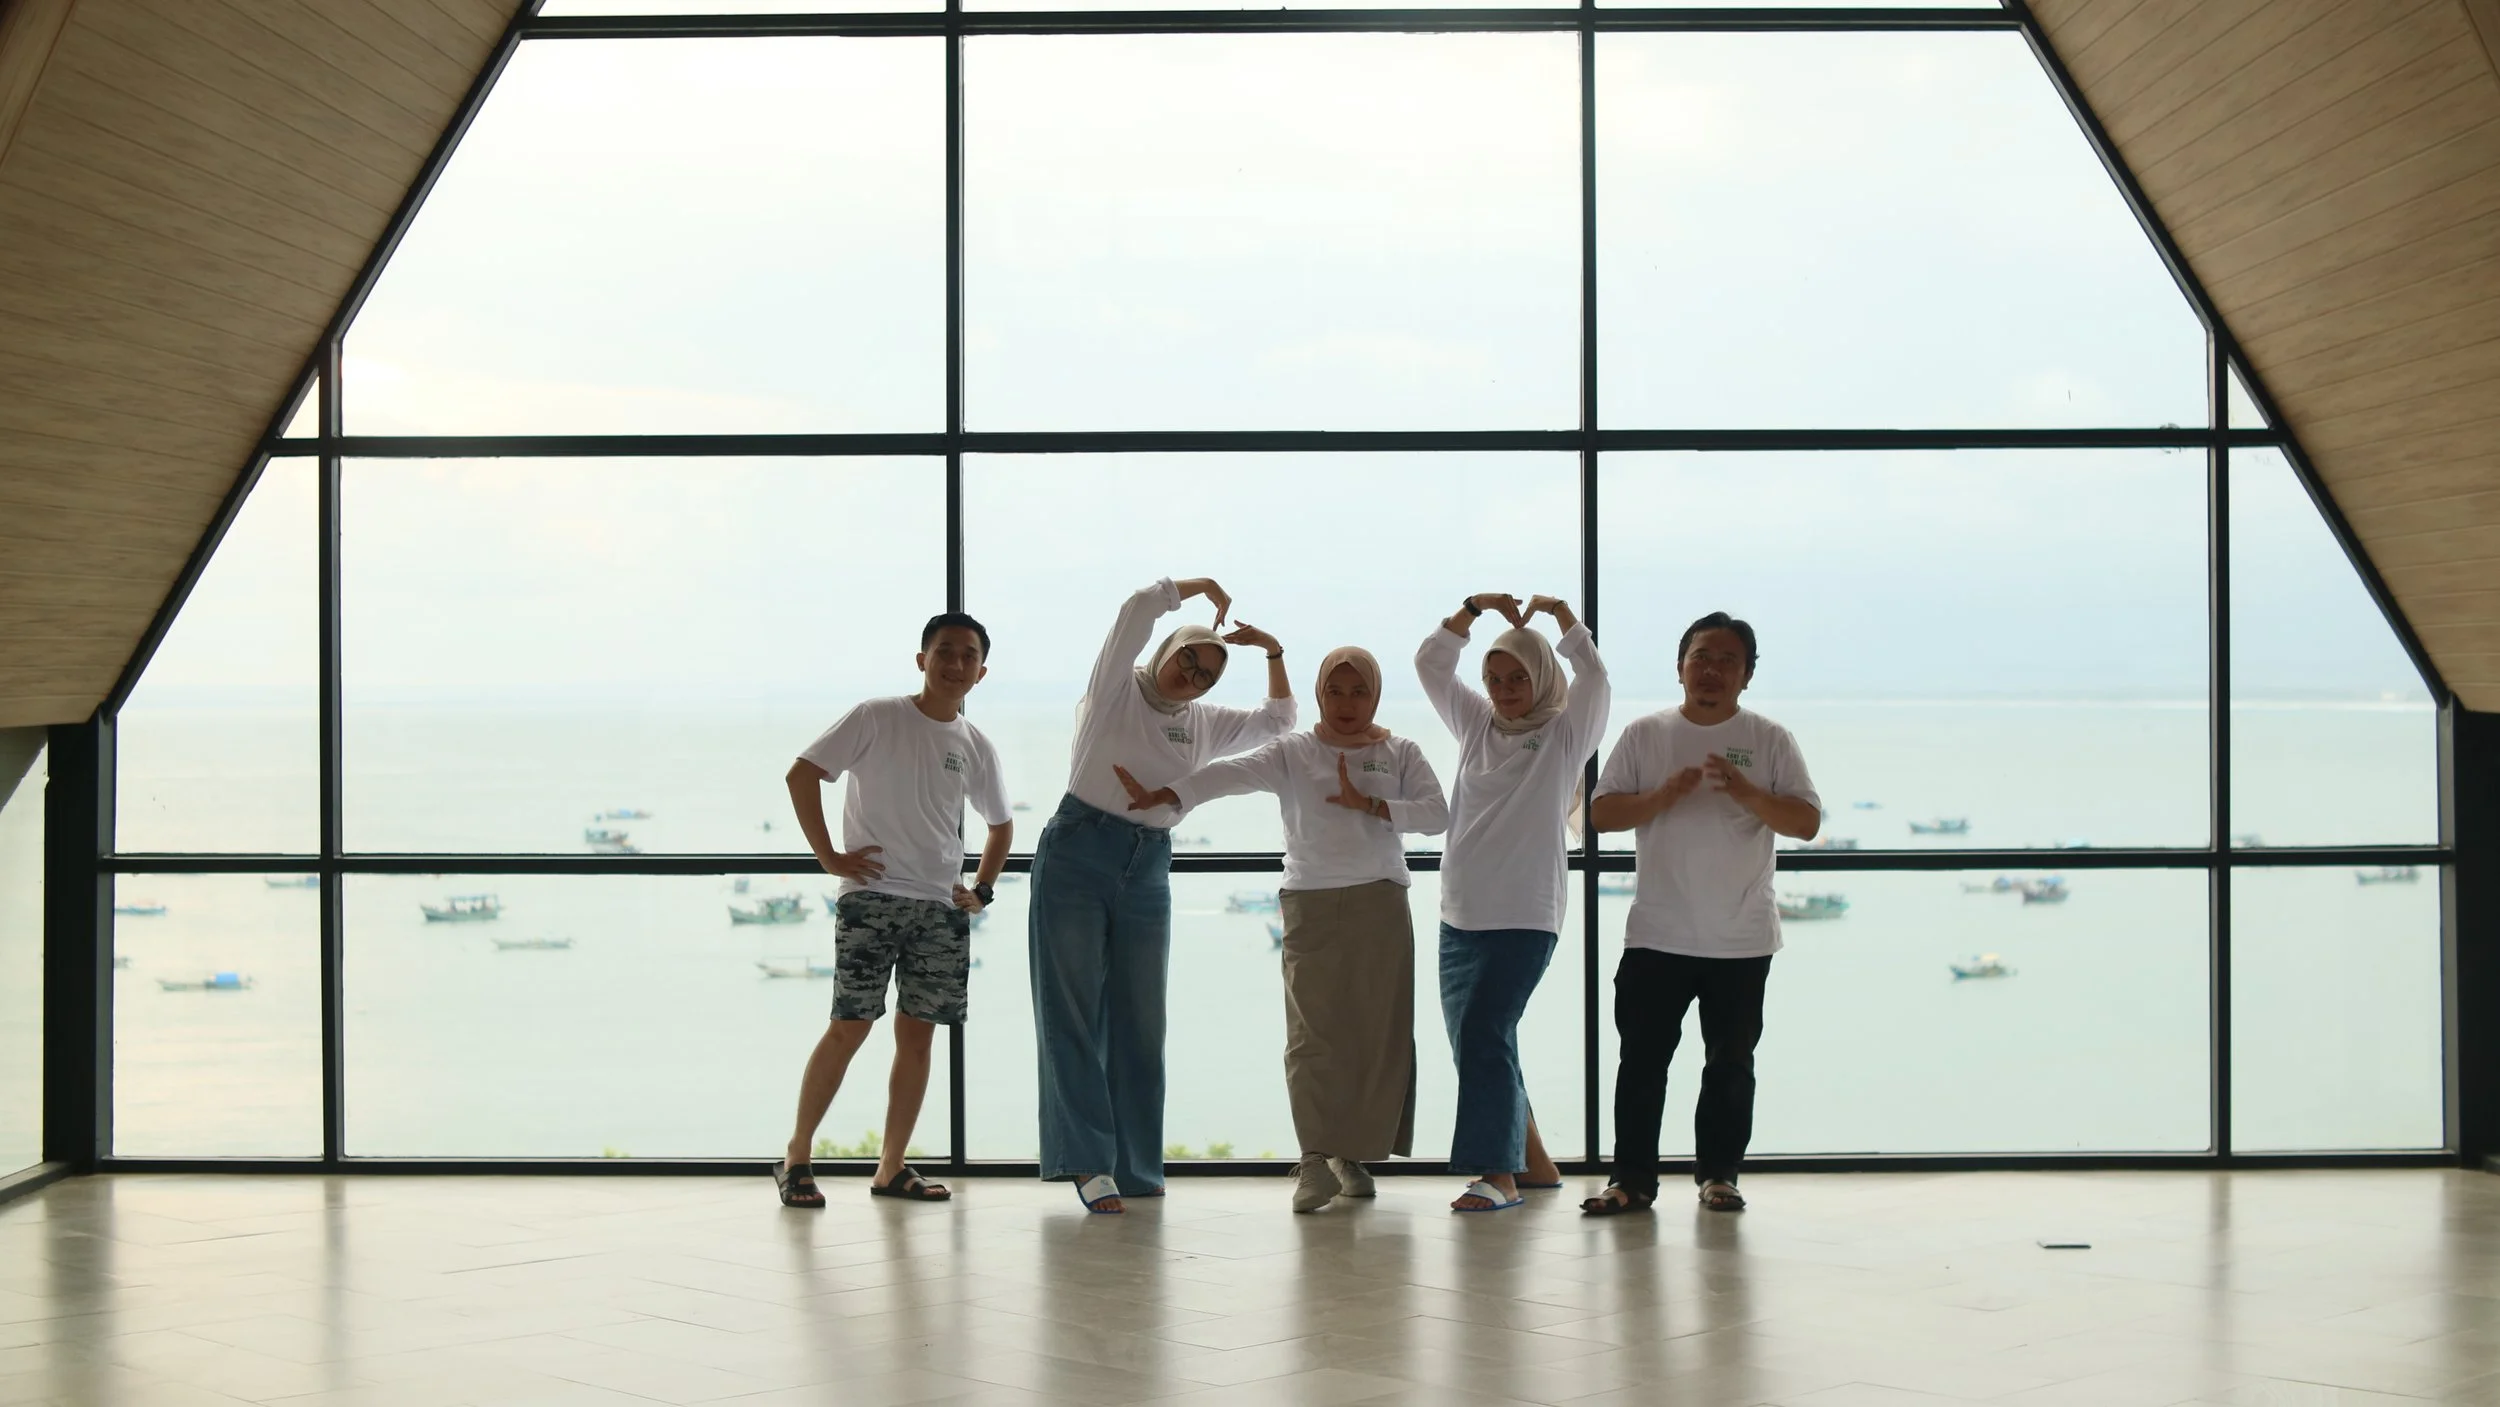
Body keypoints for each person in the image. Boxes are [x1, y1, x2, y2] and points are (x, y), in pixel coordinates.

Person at [1118, 646, 1449, 1212]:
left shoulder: (1399, 750)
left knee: (1378, 1032)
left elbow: (1438, 813)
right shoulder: (1295, 751)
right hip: (1311, 902)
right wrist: (1170, 795)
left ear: (1376, 694)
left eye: (1359, 691)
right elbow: (1228, 773)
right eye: (1335, 691)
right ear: (1319, 694)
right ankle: (1317, 1158)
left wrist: (1372, 804)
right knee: (1313, 1035)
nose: (1347, 703)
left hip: (1381, 901)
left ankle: (1356, 1155)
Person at [1032, 577, 1293, 1214]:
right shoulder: (1115, 691)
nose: (1194, 677)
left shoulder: (1203, 724)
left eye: (1207, 673)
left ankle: (1135, 1166)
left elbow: (1280, 721)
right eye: (1189, 660)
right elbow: (1135, 611)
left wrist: (1273, 653)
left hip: (1148, 866)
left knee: (1141, 1021)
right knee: (1070, 1012)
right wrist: (1197, 587)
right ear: (1169, 651)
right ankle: (1089, 1165)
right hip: (1077, 852)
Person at [774, 612, 1014, 1209]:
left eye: (967, 656)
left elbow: (1001, 825)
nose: (955, 664)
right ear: (922, 659)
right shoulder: (877, 716)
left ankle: (891, 1167)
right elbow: (802, 774)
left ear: (981, 671)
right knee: (850, 1026)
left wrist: (980, 890)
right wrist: (830, 856)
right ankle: (796, 1157)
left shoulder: (975, 744)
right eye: (944, 652)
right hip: (873, 899)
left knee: (918, 1038)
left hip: (939, 908)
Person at [1583, 611, 1819, 1216]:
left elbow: (1807, 824)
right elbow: (1600, 814)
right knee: (1641, 1064)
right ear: (1680, 665)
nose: (1711, 670)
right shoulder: (1646, 734)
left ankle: (1719, 1175)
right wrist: (1662, 797)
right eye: (1701, 657)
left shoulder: (1770, 739)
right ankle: (1631, 1180)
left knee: (1731, 1066)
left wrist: (1748, 794)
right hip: (1658, 933)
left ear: (1746, 676)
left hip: (1741, 938)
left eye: (1727, 661)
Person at [1418, 592, 1609, 1213]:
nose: (1503, 689)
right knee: (1480, 1042)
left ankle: (1496, 1174)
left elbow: (1596, 678)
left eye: (1517, 677)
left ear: (1541, 677)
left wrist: (1561, 622)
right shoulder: (1476, 725)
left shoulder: (1564, 734)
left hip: (1526, 913)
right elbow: (1430, 665)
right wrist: (1470, 611)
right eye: (1494, 679)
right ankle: (1536, 1165)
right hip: (1459, 912)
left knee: (1485, 1030)